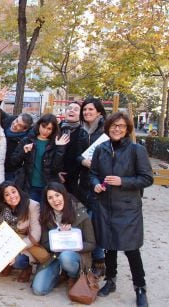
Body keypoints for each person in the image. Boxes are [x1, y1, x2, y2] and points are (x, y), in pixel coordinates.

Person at [90, 112, 153, 306]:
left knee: (131, 249)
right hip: (104, 205)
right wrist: (95, 184)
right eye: (114, 126)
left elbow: (147, 178)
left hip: (127, 208)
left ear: (127, 129)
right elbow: (92, 173)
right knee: (109, 246)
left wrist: (122, 181)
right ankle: (111, 280)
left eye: (121, 126)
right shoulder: (101, 149)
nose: (117, 129)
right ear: (108, 127)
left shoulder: (136, 150)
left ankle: (140, 287)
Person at [31, 182, 96, 296]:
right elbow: (45, 243)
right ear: (47, 201)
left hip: (75, 256)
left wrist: (71, 240)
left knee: (66, 256)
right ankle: (60, 275)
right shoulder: (46, 216)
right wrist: (58, 235)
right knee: (38, 289)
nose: (55, 200)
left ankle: (72, 275)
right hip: (54, 256)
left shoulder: (80, 213)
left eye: (57, 195)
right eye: (50, 198)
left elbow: (91, 244)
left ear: (64, 195)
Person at [0, 181, 41, 283]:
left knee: (17, 261)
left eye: (13, 192)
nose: (12, 196)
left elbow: (36, 235)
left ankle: (27, 267)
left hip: (24, 243)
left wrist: (14, 250)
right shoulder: (0, 206)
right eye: (7, 194)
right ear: (4, 199)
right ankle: (6, 264)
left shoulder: (32, 205)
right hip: (5, 240)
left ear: (18, 191)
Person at [76, 97, 107, 274]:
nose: (87, 112)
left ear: (99, 112)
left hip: (99, 184)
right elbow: (77, 155)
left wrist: (93, 164)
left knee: (96, 222)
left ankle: (100, 259)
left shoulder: (105, 132)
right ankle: (89, 258)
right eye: (85, 110)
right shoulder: (82, 132)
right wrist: (83, 161)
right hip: (84, 182)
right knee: (85, 220)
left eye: (91, 110)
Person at [10, 113, 69, 202]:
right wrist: (23, 152)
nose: (45, 131)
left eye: (49, 129)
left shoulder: (55, 143)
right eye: (43, 126)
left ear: (53, 130)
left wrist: (60, 148)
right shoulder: (27, 140)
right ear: (39, 125)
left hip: (48, 186)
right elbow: (14, 162)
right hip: (29, 186)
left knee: (45, 214)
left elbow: (56, 168)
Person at [0, 86, 34, 181]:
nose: (14, 124)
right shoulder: (8, 120)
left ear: (24, 129)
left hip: (9, 171)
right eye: (16, 120)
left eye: (19, 125)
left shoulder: (25, 139)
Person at [58, 101, 84, 197]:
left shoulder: (83, 132)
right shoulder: (56, 129)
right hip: (54, 174)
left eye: (76, 109)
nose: (71, 111)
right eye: (69, 108)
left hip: (74, 177)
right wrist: (56, 171)